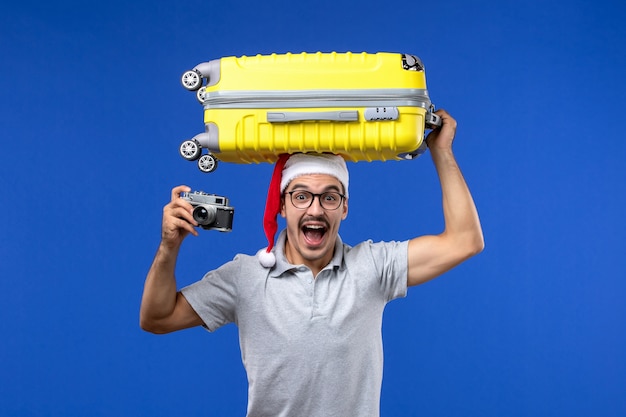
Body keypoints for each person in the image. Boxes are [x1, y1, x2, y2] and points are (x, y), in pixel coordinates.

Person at [140, 109, 484, 416]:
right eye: (301, 196)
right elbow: (157, 317)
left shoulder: (374, 267)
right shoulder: (244, 276)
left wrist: (441, 152)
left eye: (330, 197)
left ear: (345, 208)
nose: (316, 209)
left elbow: (464, 240)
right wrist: (169, 246)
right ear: (282, 206)